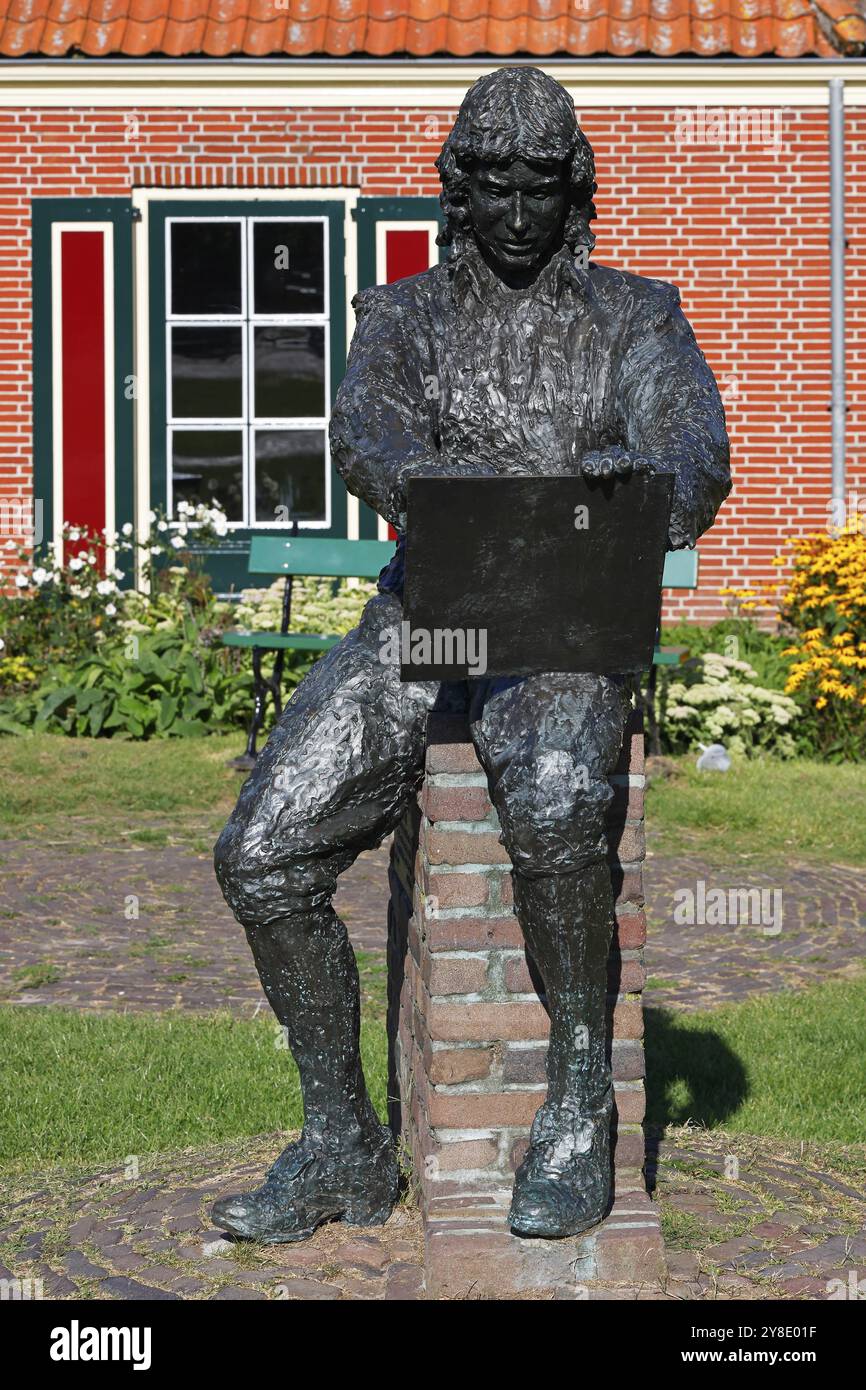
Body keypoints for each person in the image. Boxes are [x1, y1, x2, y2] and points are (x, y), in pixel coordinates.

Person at [212, 66, 730, 1243]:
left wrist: (645, 487)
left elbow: (692, 439)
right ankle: (343, 1143)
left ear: (573, 188)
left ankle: (577, 1104)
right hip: (428, 620)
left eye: (535, 188)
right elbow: (368, 429)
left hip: (561, 630)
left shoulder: (633, 317)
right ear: (454, 188)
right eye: (487, 187)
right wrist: (429, 482)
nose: (510, 213)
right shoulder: (401, 317)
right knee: (260, 851)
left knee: (554, 801)